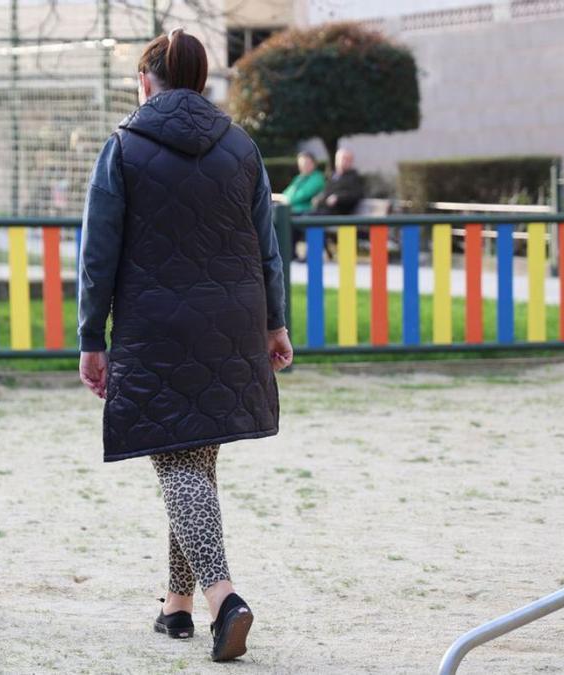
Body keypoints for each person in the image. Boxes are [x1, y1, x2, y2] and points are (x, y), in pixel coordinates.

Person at [77, 28, 292, 663]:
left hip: (156, 324)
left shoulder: (123, 147)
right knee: (193, 458)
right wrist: (275, 324)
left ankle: (225, 598)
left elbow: (98, 255)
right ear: (201, 82)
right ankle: (177, 607)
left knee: (176, 462)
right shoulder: (242, 148)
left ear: (147, 81)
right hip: (232, 320)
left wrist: (92, 338)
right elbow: (267, 246)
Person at [282, 151, 326, 260]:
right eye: (301, 164)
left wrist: (288, 199)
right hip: (294, 212)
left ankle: (308, 256)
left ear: (313, 164)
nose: (303, 167)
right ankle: (289, 254)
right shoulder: (298, 178)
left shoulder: (317, 178)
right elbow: (286, 194)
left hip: (309, 212)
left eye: (306, 163)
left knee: (291, 220)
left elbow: (303, 194)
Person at [311, 148, 364, 216]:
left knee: (305, 219)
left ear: (351, 161)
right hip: (323, 210)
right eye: (341, 159)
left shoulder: (354, 177)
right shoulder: (333, 176)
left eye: (347, 159)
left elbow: (356, 194)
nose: (343, 161)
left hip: (339, 215)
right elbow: (327, 191)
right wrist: (320, 197)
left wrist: (338, 197)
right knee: (299, 216)